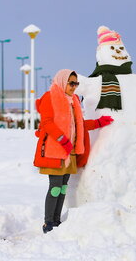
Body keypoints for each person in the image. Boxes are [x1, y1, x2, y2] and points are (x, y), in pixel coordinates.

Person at [34, 69, 113, 233]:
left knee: (63, 187)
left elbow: (80, 125)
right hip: (54, 151)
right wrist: (63, 140)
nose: (74, 86)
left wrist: (99, 123)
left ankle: (56, 221)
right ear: (63, 81)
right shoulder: (50, 97)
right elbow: (47, 123)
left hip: (70, 153)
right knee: (55, 187)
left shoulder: (73, 101)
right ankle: (48, 222)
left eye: (76, 83)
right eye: (71, 83)